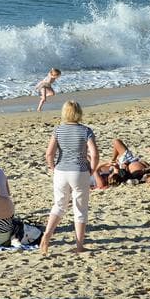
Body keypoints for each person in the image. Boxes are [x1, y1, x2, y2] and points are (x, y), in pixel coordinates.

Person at [39, 101, 99, 255]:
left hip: (61, 171)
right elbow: (94, 153)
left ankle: (47, 234)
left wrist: (53, 167)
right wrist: (92, 169)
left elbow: (49, 153)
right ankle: (79, 245)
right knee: (80, 209)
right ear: (79, 112)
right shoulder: (85, 131)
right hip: (79, 171)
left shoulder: (58, 130)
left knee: (59, 205)